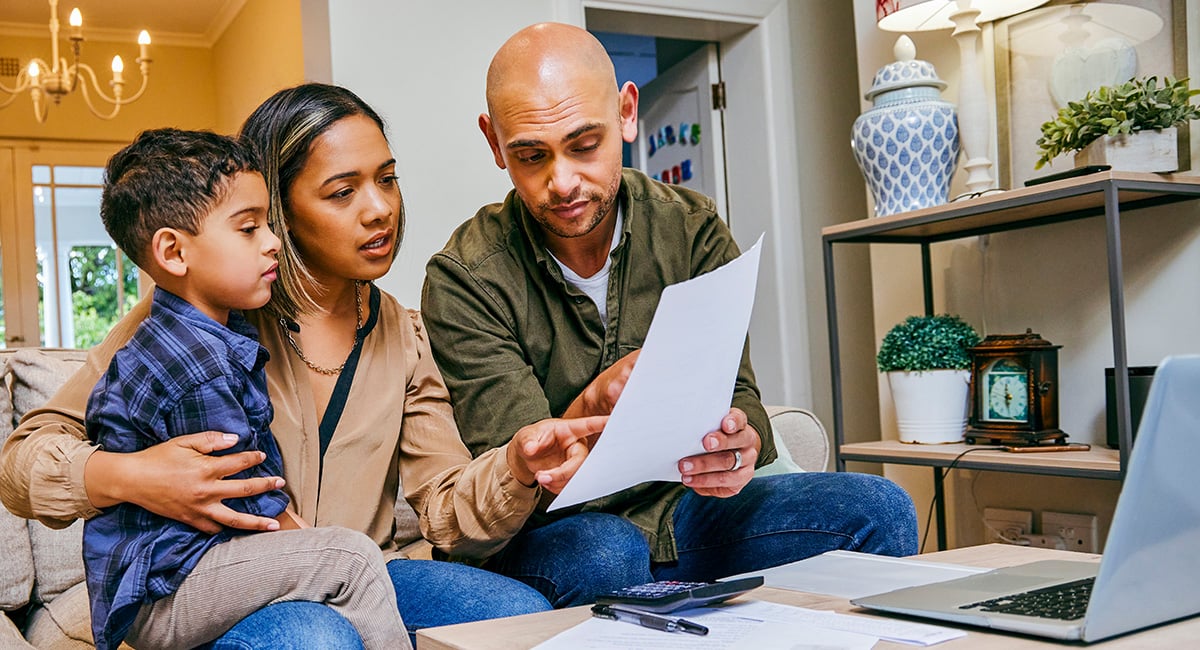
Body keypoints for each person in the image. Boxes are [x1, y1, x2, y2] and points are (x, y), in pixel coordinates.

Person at [1, 83, 604, 648]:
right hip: (222, 581)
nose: (379, 210)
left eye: (387, 180)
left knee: (518, 618)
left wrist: (518, 467)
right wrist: (130, 477)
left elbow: (444, 508)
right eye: (343, 192)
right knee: (314, 635)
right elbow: (22, 461)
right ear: (279, 211)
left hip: (364, 572)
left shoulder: (401, 329)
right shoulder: (195, 315)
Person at [420, 22, 920, 608]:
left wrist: (741, 443)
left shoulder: (691, 227)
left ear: (627, 114)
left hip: (685, 511)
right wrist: (594, 401)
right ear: (494, 143)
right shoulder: (465, 276)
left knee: (880, 509)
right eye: (531, 156)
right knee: (604, 551)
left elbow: (741, 392)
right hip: (560, 532)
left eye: (584, 145)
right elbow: (518, 474)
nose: (562, 182)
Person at [83, 128, 406, 650]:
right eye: (248, 229)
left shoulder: (201, 334)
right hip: (172, 589)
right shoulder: (194, 363)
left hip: (190, 570)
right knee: (350, 557)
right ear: (173, 251)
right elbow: (245, 493)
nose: (273, 241)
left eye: (269, 224)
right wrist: (311, 541)